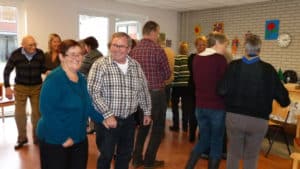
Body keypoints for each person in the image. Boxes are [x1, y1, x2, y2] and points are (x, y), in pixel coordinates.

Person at [217, 34, 290, 169]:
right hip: (258, 120)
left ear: (245, 48)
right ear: (259, 49)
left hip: (234, 117)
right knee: (251, 156)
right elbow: (284, 100)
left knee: (233, 153)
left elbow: (221, 90)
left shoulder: (233, 66)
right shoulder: (268, 70)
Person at [37, 39, 106, 169]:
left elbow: (87, 105)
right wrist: (62, 137)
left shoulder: (81, 79)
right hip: (55, 138)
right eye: (72, 54)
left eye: (80, 54)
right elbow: (47, 112)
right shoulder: (54, 79)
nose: (77, 58)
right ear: (61, 57)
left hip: (78, 136)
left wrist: (103, 119)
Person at [88, 32, 152, 169]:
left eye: (121, 46)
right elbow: (93, 92)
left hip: (129, 120)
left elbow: (143, 90)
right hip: (107, 121)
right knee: (106, 155)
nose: (117, 49)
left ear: (129, 49)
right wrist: (108, 114)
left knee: (125, 155)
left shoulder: (136, 66)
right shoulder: (100, 65)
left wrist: (147, 112)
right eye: (114, 45)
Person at [185, 32, 228, 169]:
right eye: (224, 45)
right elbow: (224, 84)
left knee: (204, 139)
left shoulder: (196, 58)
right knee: (216, 141)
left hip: (200, 106)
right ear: (217, 43)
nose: (225, 49)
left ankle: (189, 166)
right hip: (217, 107)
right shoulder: (220, 59)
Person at [131, 20, 171, 169]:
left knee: (143, 126)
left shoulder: (134, 50)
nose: (158, 35)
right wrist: (158, 76)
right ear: (153, 32)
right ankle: (149, 160)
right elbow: (167, 74)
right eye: (158, 32)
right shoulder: (158, 49)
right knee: (158, 128)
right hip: (156, 94)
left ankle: (136, 159)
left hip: (140, 95)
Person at [4, 35, 47, 149]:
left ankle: (37, 138)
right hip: (21, 87)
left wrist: (47, 72)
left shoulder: (40, 53)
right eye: (30, 45)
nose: (34, 47)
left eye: (35, 44)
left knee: (37, 114)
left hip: (37, 87)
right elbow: (7, 70)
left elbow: (43, 68)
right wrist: (7, 87)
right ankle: (22, 138)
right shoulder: (16, 54)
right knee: (20, 114)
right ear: (23, 45)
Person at [79, 36, 103, 134]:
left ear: (88, 46)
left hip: (89, 84)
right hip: (100, 84)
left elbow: (81, 70)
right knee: (95, 106)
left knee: (87, 105)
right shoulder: (100, 54)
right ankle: (94, 127)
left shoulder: (89, 56)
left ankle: (89, 127)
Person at [187, 36, 207, 142]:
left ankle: (201, 135)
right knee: (192, 113)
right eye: (200, 45)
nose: (202, 47)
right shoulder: (192, 57)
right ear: (196, 46)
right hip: (193, 89)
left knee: (202, 114)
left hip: (204, 90)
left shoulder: (209, 58)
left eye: (204, 45)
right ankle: (191, 134)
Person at [170, 41, 191, 133]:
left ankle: (176, 126)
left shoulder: (177, 58)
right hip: (187, 86)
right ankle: (185, 127)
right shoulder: (189, 58)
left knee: (175, 106)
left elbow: (176, 72)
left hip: (177, 86)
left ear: (179, 49)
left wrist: (171, 80)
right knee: (186, 107)